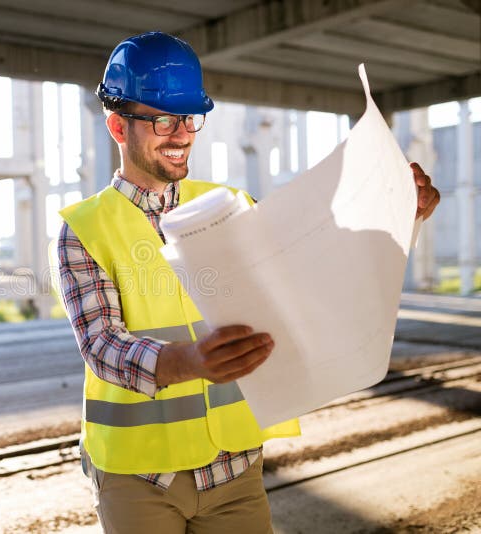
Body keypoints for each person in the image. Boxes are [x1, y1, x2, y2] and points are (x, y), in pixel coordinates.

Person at [54, 31, 440, 534]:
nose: (182, 134)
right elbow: (102, 346)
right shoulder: (83, 229)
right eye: (163, 120)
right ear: (117, 126)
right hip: (138, 478)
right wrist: (189, 361)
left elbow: (309, 282)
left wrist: (399, 215)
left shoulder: (227, 206)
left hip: (234, 469)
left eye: (191, 118)